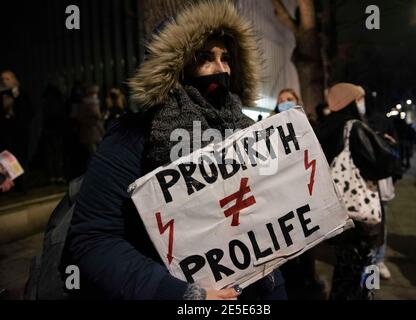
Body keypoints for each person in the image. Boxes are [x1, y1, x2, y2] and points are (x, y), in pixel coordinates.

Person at [66, 1, 286, 300]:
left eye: (226, 58)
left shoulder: (245, 131)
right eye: (204, 58)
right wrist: (181, 295)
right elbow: (94, 239)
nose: (220, 69)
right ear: (177, 65)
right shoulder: (132, 135)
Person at [317, 83, 388, 300]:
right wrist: (382, 145)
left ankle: (343, 296)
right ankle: (367, 295)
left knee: (345, 266)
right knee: (370, 261)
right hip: (363, 212)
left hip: (342, 210)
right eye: (359, 98)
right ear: (350, 101)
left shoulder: (326, 126)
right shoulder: (355, 127)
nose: (362, 103)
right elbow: (382, 165)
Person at [272, 88, 325, 299]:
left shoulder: (309, 126)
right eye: (281, 100)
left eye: (289, 99)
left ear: (297, 101)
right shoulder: (268, 127)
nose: (285, 102)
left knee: (307, 241)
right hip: (280, 195)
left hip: (305, 193)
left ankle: (308, 278)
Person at [0, 70, 33, 193]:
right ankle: (9, 186)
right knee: (7, 161)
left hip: (20, 134)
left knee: (21, 159)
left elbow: (28, 112)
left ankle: (23, 186)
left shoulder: (21, 95)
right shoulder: (2, 96)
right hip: (5, 135)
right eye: (2, 79)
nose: (4, 81)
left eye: (7, 79)